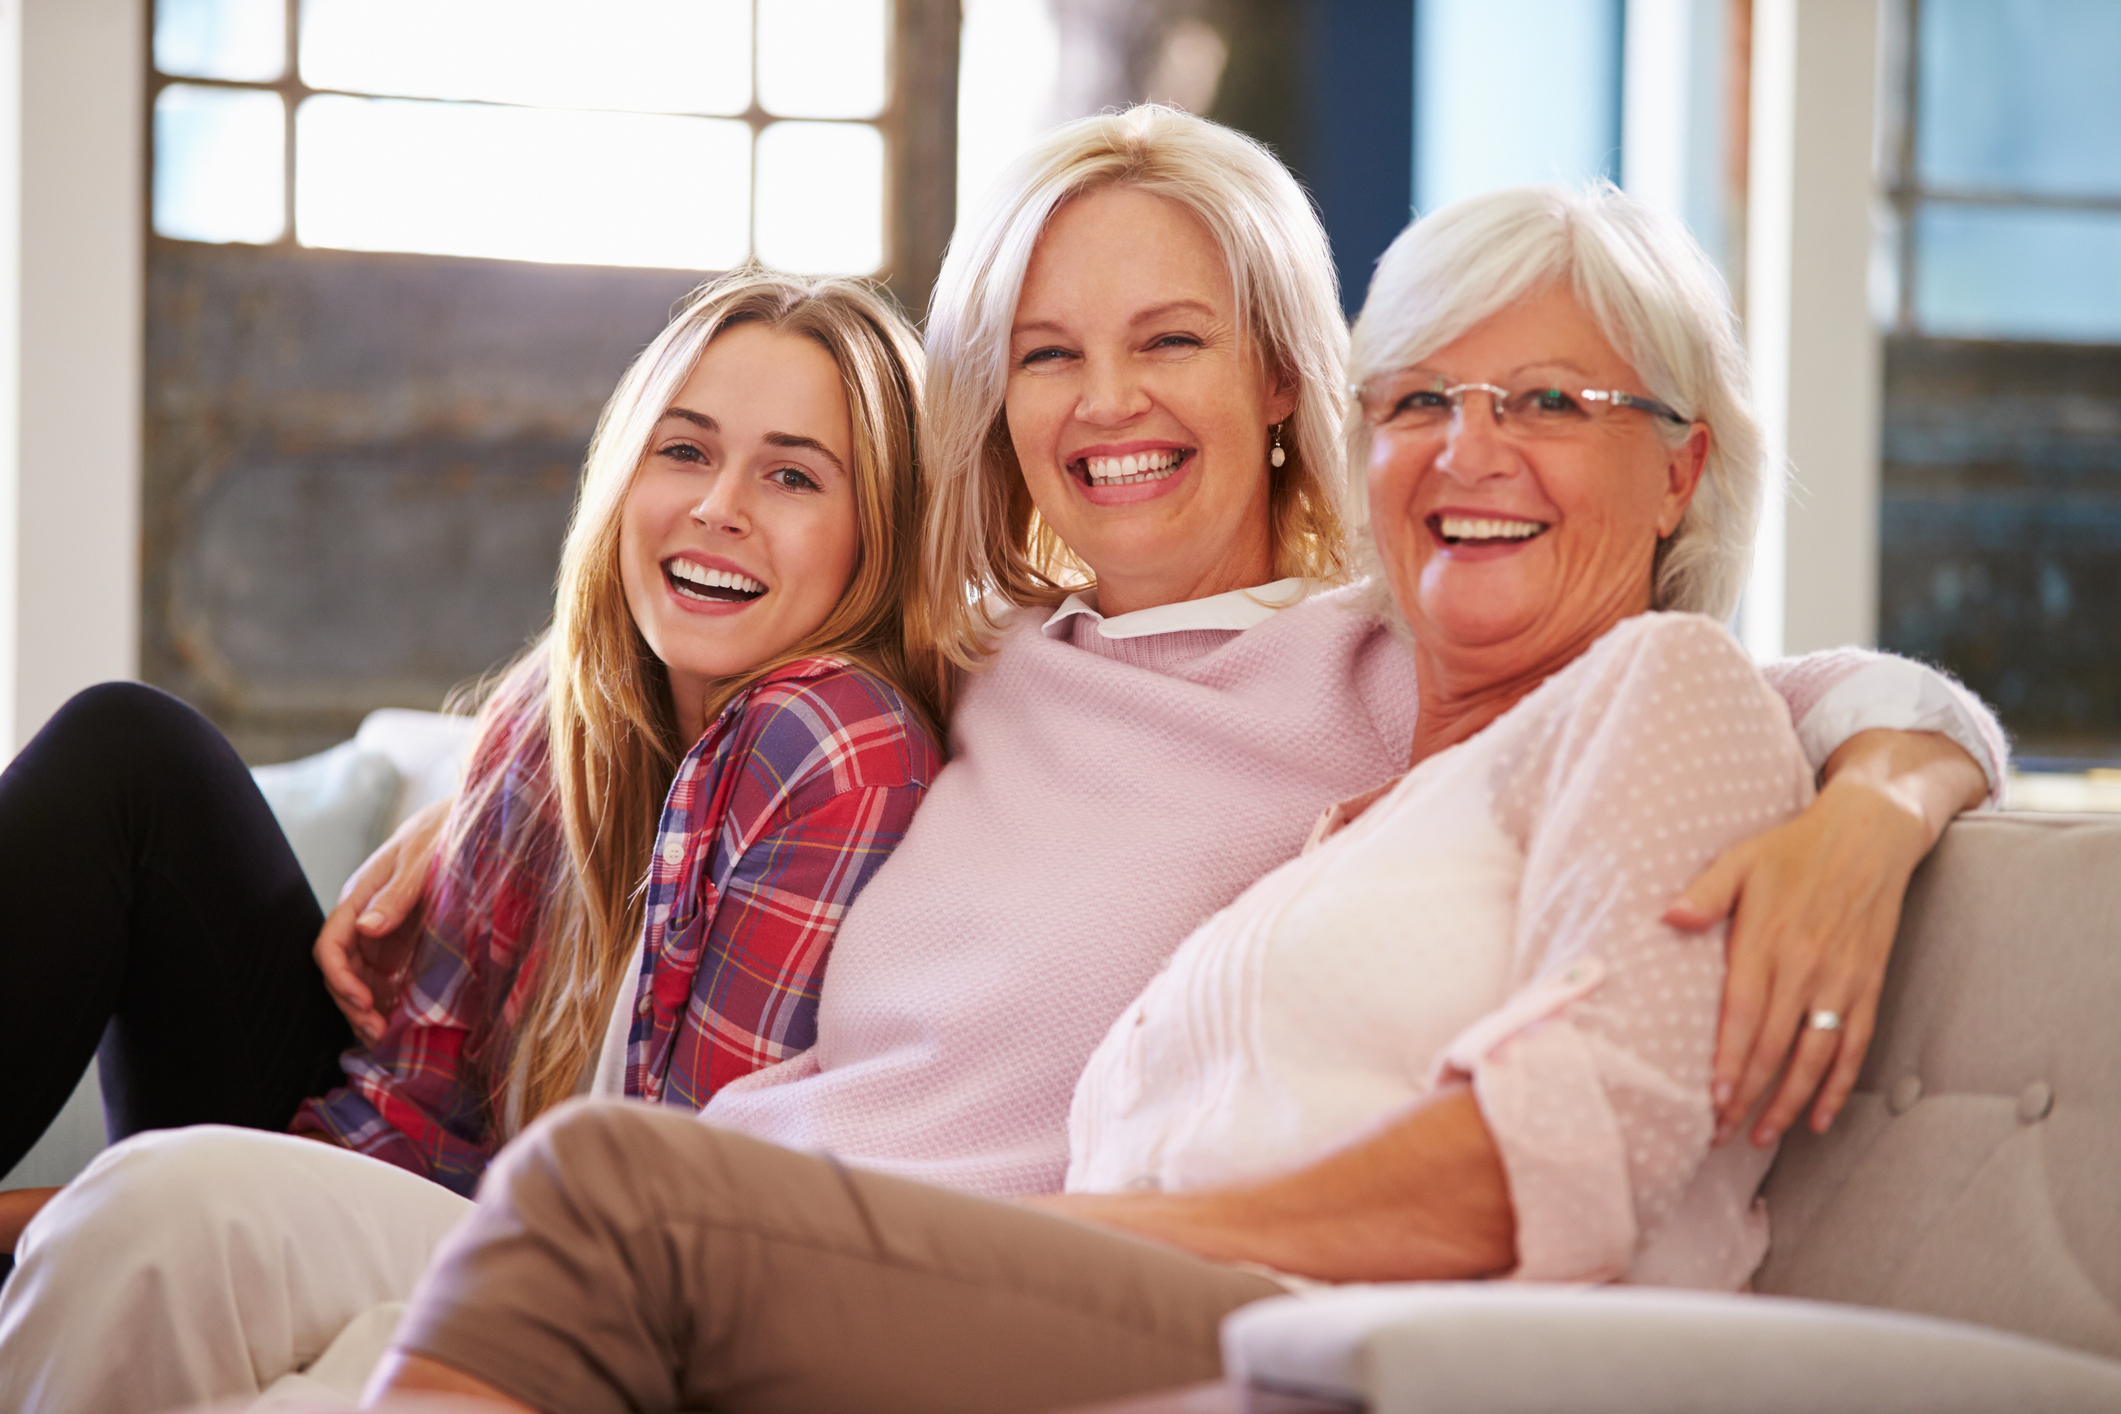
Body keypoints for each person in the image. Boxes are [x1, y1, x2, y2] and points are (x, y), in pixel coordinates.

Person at [0, 110, 1998, 1412]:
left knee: (173, 1225)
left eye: (1168, 343)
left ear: (1288, 388)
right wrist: (476, 771)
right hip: (652, 1204)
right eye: (1047, 351)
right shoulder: (972, 654)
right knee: (149, 1208)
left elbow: (1718, 673)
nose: (1104, 402)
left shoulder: (1391, 653)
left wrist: (1884, 791)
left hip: (885, 1277)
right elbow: (693, 621)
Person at [0, 272, 938, 1245]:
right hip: (416, 1185)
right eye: (685, 449)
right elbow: (410, 1114)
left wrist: (77, 1214)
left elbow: (679, 1217)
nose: (717, 505)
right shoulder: (563, 710)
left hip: (531, 1257)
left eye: (793, 475)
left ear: (880, 528)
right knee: (134, 754)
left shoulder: (835, 743)